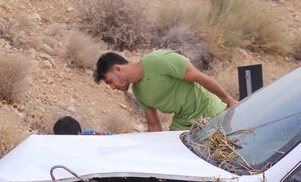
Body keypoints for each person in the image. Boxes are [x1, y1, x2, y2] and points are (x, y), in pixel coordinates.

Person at [94, 50, 238, 132]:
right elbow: (154, 125)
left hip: (210, 111)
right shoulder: (138, 91)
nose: (112, 88)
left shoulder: (158, 60)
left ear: (118, 69)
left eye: (110, 81)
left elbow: (199, 77)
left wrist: (229, 100)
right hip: (184, 123)